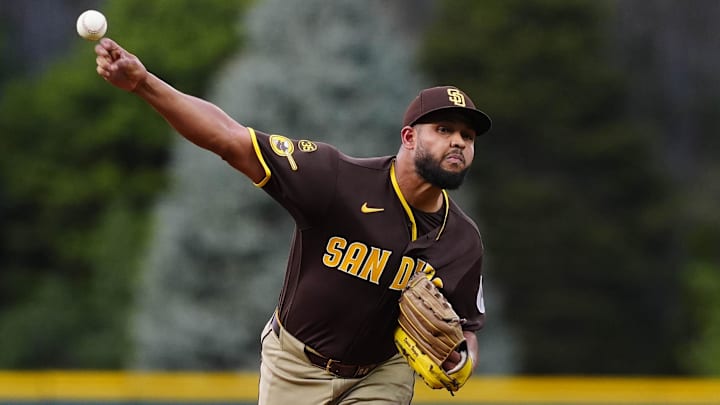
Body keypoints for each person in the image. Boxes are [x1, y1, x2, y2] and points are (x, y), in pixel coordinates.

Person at [94, 37, 491, 405]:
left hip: (382, 374)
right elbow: (230, 139)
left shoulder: (462, 241)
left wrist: (463, 360)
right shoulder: (337, 179)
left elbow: (468, 327)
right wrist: (144, 83)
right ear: (408, 137)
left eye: (467, 136)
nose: (458, 142)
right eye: (443, 130)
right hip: (295, 366)